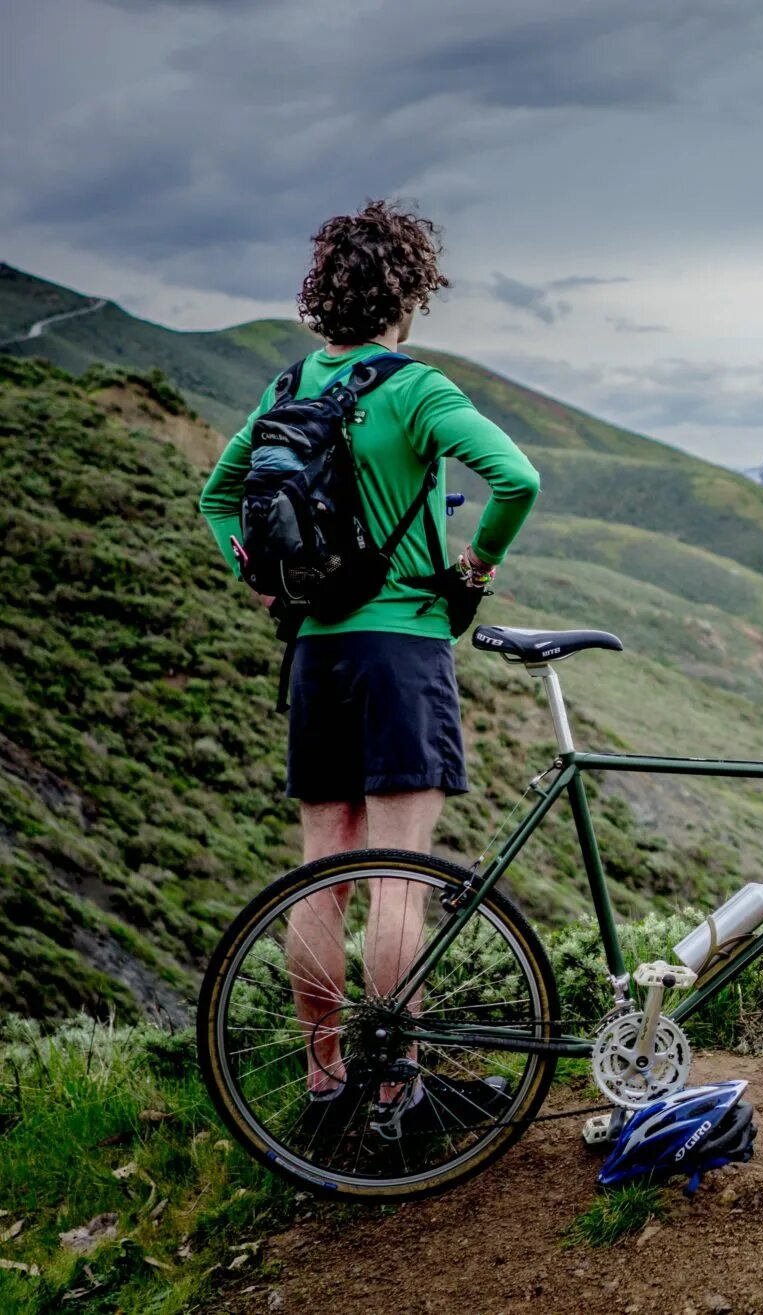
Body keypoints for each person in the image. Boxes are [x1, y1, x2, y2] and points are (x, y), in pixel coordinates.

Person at [198, 200, 541, 1132]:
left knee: (322, 870)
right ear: (411, 295)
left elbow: (217, 494)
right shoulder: (417, 391)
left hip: (316, 651)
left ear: (324, 294)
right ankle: (395, 1093)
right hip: (403, 649)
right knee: (400, 874)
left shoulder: (289, 387)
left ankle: (322, 1082)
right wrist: (476, 566)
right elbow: (519, 480)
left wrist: (267, 586)